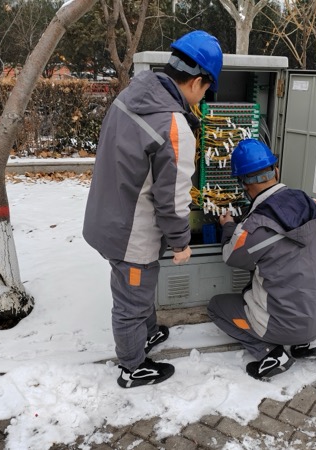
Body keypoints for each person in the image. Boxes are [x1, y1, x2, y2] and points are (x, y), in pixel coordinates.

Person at [83, 30, 223, 388]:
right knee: (132, 298)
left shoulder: (132, 95)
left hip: (109, 214)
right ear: (196, 81)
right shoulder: (174, 125)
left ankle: (145, 336)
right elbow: (173, 200)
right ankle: (132, 367)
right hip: (132, 231)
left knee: (141, 286)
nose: (203, 98)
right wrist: (180, 243)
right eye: (206, 90)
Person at [207, 139, 316, 380]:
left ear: (243, 185)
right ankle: (307, 343)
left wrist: (228, 227)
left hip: (285, 326)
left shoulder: (254, 227)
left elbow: (231, 257)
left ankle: (269, 353)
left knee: (217, 307)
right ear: (276, 171)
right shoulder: (313, 207)